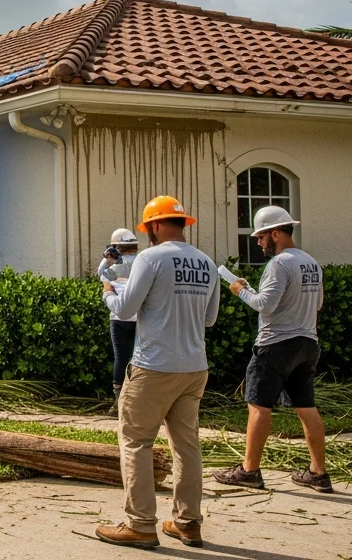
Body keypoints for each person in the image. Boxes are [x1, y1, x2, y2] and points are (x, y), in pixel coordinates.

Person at [96, 196, 219, 550]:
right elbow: (209, 318)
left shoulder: (151, 258)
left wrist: (107, 291)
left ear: (153, 226)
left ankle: (140, 525)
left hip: (154, 366)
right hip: (195, 366)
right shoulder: (206, 262)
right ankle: (188, 522)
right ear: (183, 223)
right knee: (186, 446)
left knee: (136, 441)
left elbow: (125, 310)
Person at [214, 206, 332, 493]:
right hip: (307, 343)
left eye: (261, 236)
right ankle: (318, 473)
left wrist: (240, 290)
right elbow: (316, 304)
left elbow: (264, 305)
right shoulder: (310, 262)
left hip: (275, 345)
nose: (258, 242)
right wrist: (256, 291)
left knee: (258, 405)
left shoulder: (279, 264)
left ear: (275, 233)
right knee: (306, 407)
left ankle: (249, 471)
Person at [98, 228, 141, 397]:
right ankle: (137, 394)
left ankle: (119, 397)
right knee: (139, 357)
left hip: (118, 316)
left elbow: (102, 277)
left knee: (121, 357)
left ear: (116, 246)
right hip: (139, 316)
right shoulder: (141, 261)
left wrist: (106, 259)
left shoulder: (114, 265)